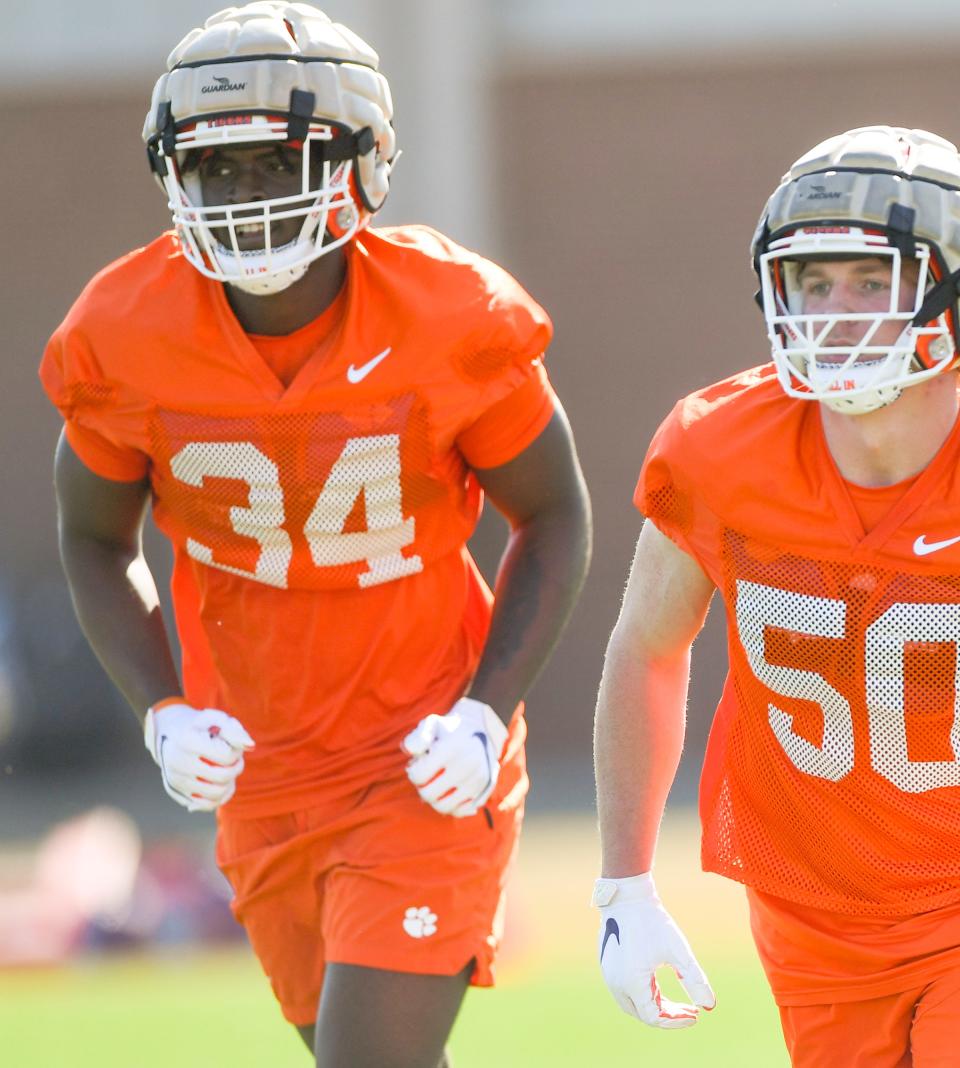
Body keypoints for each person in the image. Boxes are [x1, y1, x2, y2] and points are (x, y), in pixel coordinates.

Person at [40, 4, 591, 1066]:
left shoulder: (451, 312)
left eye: (272, 163)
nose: (244, 198)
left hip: (422, 753)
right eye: (217, 170)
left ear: (361, 163)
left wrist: (486, 713)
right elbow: (92, 540)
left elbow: (556, 514)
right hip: (263, 769)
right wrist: (160, 706)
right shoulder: (121, 331)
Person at [592, 124, 960, 1066]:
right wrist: (623, 883)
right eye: (813, 282)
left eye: (873, 281)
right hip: (814, 913)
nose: (837, 312)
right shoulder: (721, 448)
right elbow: (647, 645)